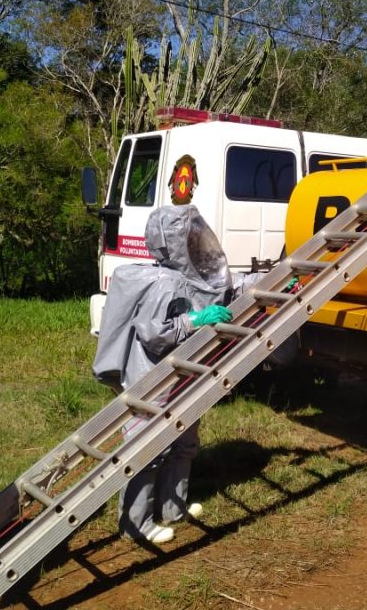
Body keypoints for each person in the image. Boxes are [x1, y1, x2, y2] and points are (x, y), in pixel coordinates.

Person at [92, 204, 232, 546]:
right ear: (175, 243)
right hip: (152, 377)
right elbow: (154, 334)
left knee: (183, 441)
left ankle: (173, 506)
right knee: (148, 449)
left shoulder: (182, 278)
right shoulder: (163, 283)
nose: (200, 242)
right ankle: (136, 523)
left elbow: (228, 283)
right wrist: (196, 322)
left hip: (179, 375)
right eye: (192, 237)